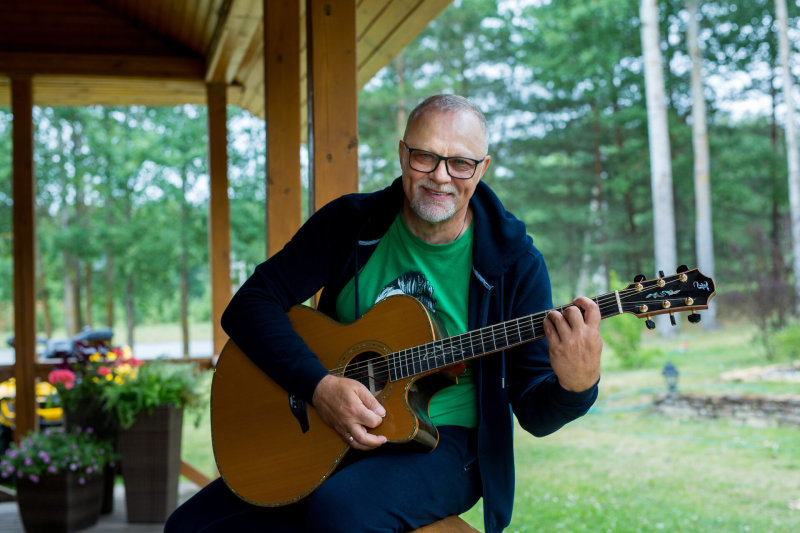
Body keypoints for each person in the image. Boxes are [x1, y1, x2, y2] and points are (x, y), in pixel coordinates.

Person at [166, 94, 603, 532]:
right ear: (401, 154)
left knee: (342, 510)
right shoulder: (349, 224)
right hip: (327, 424)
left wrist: (577, 386)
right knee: (189, 528)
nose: (440, 177)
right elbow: (249, 305)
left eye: (460, 164)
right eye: (424, 157)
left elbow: (535, 413)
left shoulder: (516, 263)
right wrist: (318, 387)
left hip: (445, 443)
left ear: (482, 168)